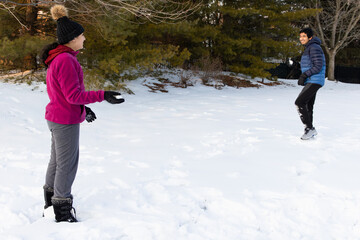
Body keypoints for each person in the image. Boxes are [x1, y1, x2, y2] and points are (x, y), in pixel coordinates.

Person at [40, 4, 124, 222]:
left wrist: (83, 108)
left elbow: (62, 93)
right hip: (64, 120)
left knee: (57, 161)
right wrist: (102, 94)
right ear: (73, 38)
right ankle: (62, 210)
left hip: (57, 116)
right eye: (82, 35)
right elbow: (72, 96)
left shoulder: (57, 58)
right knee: (67, 164)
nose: (84, 38)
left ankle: (50, 203)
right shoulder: (66, 59)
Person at [295, 28, 326, 140]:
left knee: (299, 102)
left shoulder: (314, 47)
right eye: (300, 36)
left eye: (304, 36)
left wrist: (304, 75)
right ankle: (310, 130)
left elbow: (318, 66)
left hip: (315, 80)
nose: (301, 38)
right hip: (312, 79)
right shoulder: (310, 47)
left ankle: (310, 129)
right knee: (308, 105)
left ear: (310, 37)